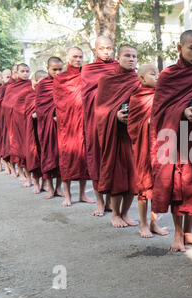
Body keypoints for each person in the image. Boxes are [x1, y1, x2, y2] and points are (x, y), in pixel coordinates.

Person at [151, 30, 192, 252]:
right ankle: (177, 234)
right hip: (175, 141)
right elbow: (159, 111)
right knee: (178, 187)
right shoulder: (168, 75)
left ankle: (189, 232)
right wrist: (182, 112)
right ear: (179, 48)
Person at [95, 44, 140, 228]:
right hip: (115, 134)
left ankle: (126, 213)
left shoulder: (138, 80)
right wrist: (115, 115)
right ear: (118, 58)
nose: (131, 59)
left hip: (133, 135)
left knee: (133, 177)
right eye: (127, 56)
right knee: (117, 175)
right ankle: (115, 214)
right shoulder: (107, 80)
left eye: (134, 56)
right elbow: (100, 110)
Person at [127, 63, 168, 237]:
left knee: (158, 187)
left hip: (160, 147)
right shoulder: (137, 97)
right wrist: (147, 124)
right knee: (144, 187)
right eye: (153, 74)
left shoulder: (162, 95)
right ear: (142, 78)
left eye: (158, 73)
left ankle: (153, 223)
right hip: (143, 147)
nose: (157, 77)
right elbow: (132, 124)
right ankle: (143, 224)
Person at [81, 36, 119, 216]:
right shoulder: (88, 70)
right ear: (96, 50)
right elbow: (87, 96)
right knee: (96, 158)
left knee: (112, 159)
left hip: (114, 121)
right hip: (95, 121)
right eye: (102, 48)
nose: (106, 51)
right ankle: (99, 202)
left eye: (109, 48)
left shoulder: (119, 67)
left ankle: (111, 201)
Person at [53, 47, 94, 207]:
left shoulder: (87, 75)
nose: (78, 59)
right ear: (68, 58)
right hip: (67, 124)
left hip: (84, 122)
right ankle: (68, 196)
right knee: (67, 158)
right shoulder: (60, 78)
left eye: (80, 56)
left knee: (84, 158)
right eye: (75, 56)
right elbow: (59, 101)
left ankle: (83, 194)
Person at [36, 57, 64, 199]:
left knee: (61, 157)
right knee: (48, 155)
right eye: (54, 69)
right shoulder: (42, 85)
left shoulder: (65, 83)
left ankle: (59, 188)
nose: (58, 72)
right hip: (47, 126)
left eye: (60, 69)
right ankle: (50, 188)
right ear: (48, 68)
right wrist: (51, 115)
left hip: (62, 126)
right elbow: (40, 108)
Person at [1, 63, 32, 181]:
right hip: (15, 121)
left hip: (27, 121)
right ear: (17, 73)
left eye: (27, 71)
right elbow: (6, 104)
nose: (25, 73)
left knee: (30, 149)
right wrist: (17, 109)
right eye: (22, 71)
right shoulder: (11, 87)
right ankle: (22, 173)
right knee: (18, 147)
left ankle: (34, 178)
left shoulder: (31, 85)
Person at [24, 70, 47, 194]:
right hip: (33, 131)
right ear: (35, 82)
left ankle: (44, 183)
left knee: (45, 156)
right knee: (34, 157)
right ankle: (36, 184)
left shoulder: (49, 94)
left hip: (46, 130)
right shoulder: (30, 96)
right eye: (41, 81)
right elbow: (27, 113)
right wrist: (34, 114)